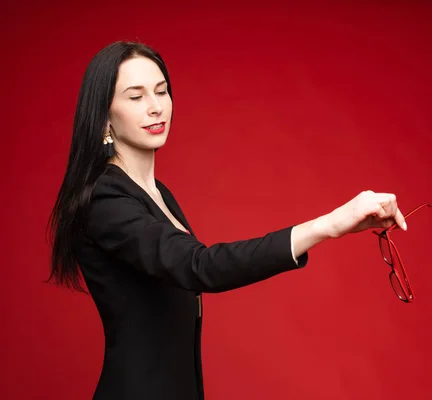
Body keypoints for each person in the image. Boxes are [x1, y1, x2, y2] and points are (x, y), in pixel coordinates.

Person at [46, 41, 407, 400]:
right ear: (105, 115)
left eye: (162, 91)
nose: (156, 107)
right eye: (136, 97)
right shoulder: (105, 199)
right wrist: (327, 226)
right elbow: (200, 266)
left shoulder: (157, 194)